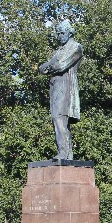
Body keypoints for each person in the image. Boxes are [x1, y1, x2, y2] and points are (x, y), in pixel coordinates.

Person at [38, 20, 83, 160]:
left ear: (70, 33)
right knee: (57, 119)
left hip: (66, 86)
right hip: (55, 87)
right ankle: (65, 153)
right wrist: (49, 66)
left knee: (59, 118)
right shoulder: (59, 50)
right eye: (58, 33)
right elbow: (42, 69)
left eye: (62, 33)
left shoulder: (76, 47)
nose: (59, 36)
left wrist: (49, 66)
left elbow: (60, 66)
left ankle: (64, 153)